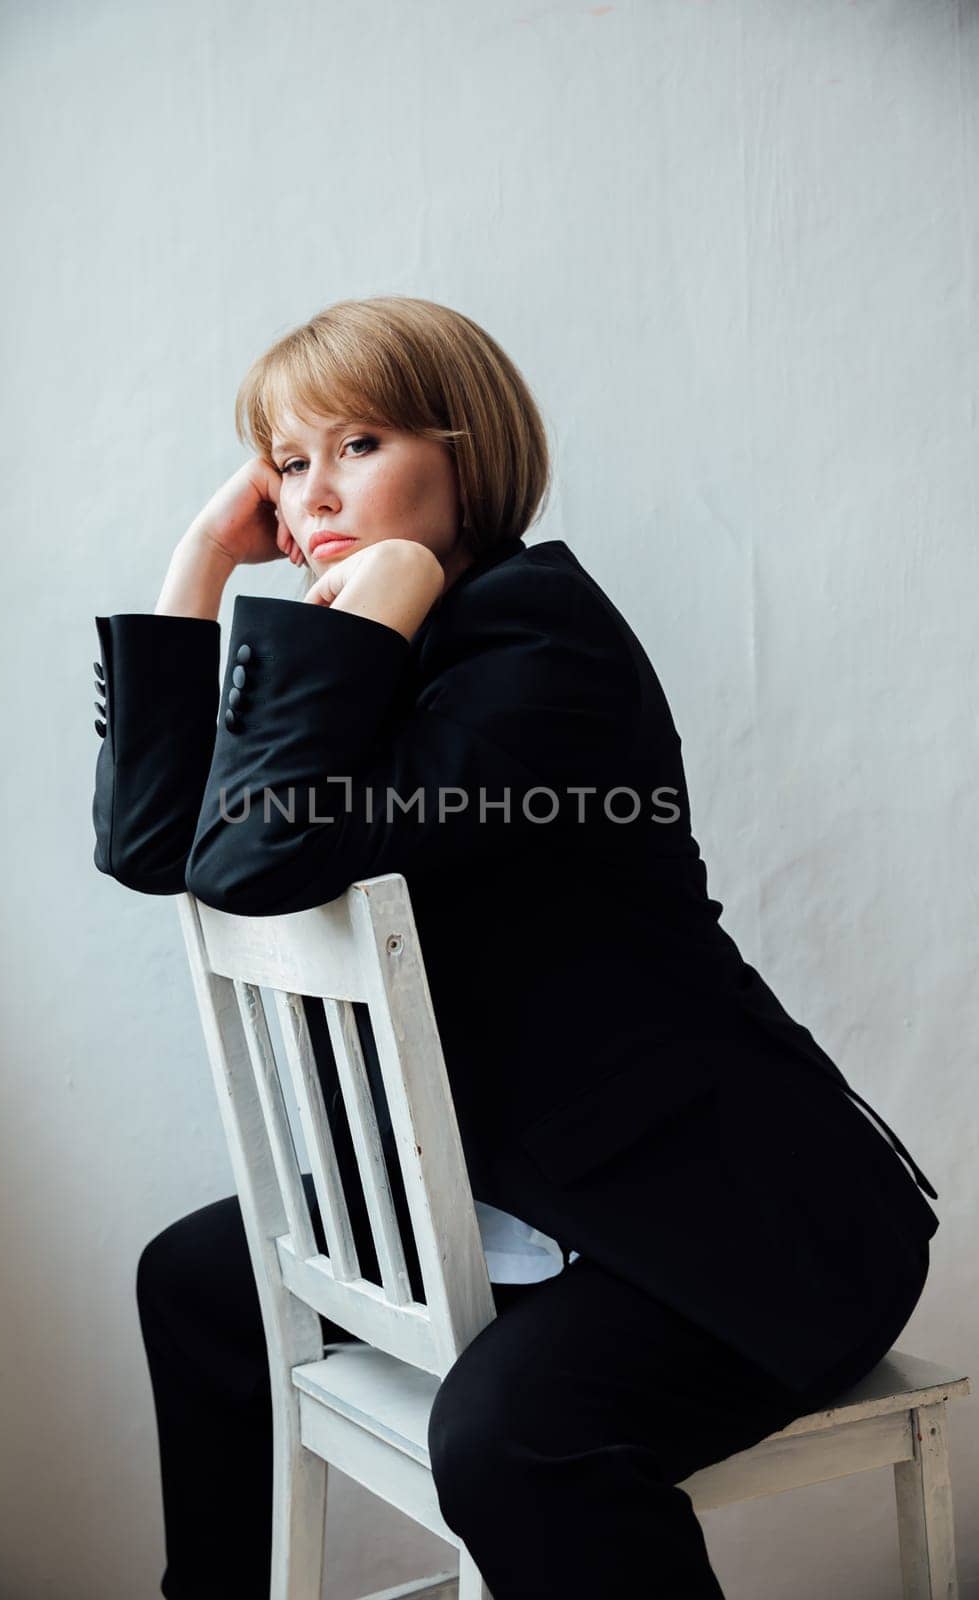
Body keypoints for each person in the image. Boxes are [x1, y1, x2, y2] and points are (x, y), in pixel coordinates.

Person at [92, 294, 940, 1599]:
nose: (312, 492)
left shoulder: (537, 644)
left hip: (735, 1220)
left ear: (466, 448)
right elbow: (159, 848)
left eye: (359, 443)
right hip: (522, 1198)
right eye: (285, 460)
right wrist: (202, 560)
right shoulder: (381, 658)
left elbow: (247, 860)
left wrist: (368, 601)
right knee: (197, 1287)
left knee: (510, 1447)